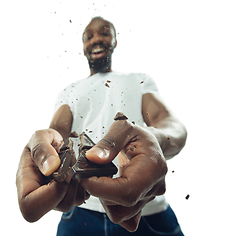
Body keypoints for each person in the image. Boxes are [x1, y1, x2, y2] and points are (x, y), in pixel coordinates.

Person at [16, 16, 187, 235]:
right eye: (89, 36)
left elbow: (171, 124)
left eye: (105, 33)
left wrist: (158, 139)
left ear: (115, 41)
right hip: (80, 212)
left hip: (146, 211)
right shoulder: (69, 91)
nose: (96, 38)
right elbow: (57, 133)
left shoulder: (139, 79)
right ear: (83, 46)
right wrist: (45, 149)